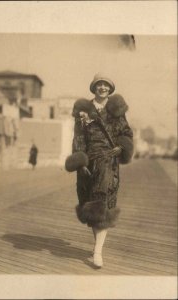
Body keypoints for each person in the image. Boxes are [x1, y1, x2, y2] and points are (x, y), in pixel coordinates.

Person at [65, 73, 134, 268]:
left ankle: (97, 252)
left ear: (110, 89)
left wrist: (121, 147)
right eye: (98, 84)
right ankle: (97, 247)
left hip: (108, 162)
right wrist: (81, 163)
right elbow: (78, 138)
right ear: (93, 87)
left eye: (105, 85)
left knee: (102, 204)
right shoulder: (83, 109)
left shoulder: (116, 109)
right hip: (87, 163)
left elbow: (126, 133)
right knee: (90, 207)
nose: (102, 87)